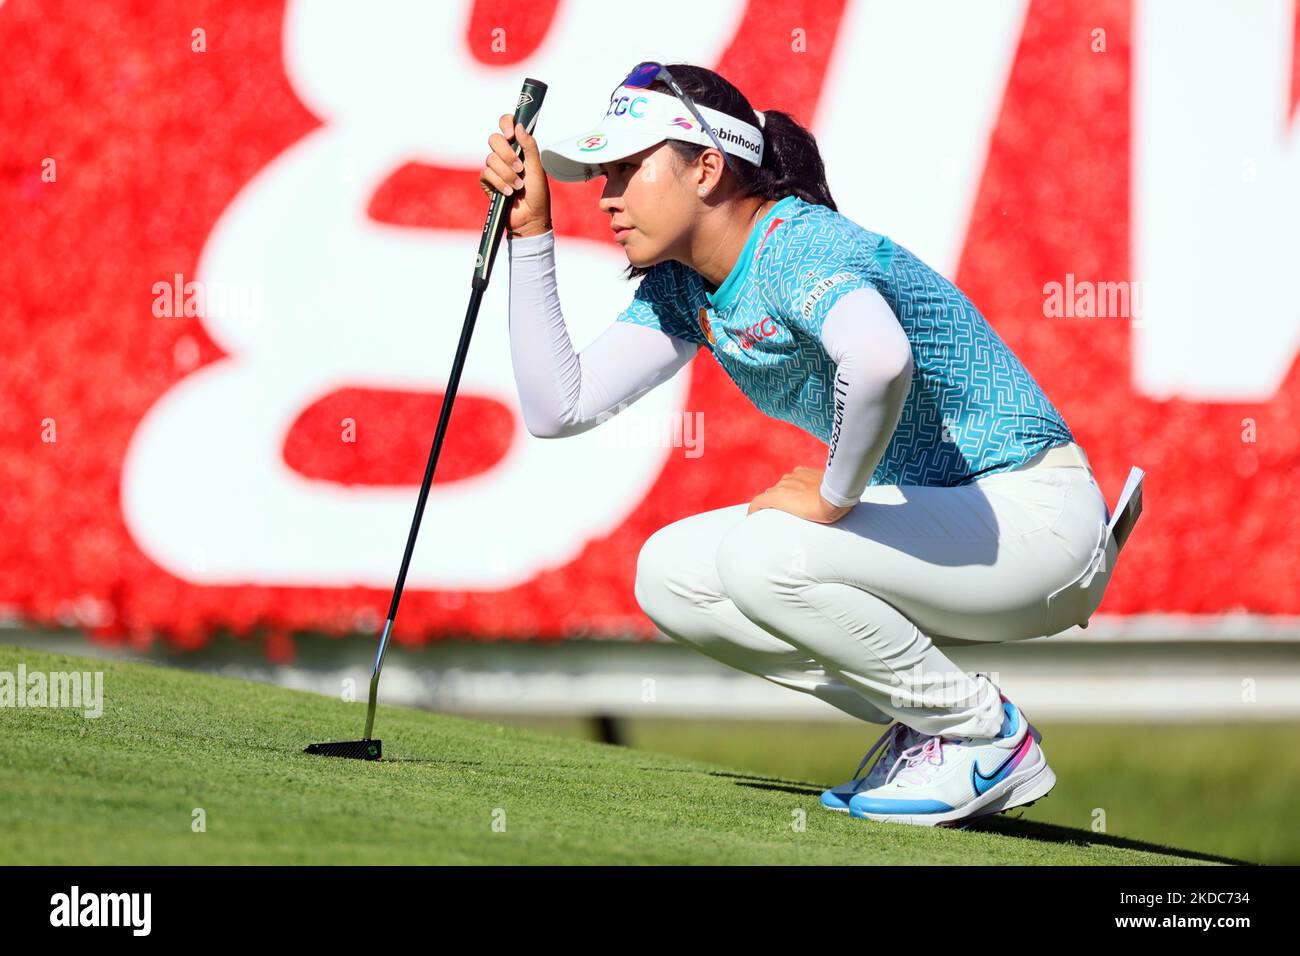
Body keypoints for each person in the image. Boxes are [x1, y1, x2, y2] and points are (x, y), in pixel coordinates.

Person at [479, 61, 1119, 829]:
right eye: (601, 173)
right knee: (671, 576)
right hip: (962, 526)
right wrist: (530, 235)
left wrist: (832, 496)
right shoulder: (686, 285)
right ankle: (930, 718)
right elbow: (560, 405)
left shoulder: (794, 242)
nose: (607, 195)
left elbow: (880, 359)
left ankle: (983, 732)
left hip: (1036, 521)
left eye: (626, 167)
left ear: (708, 167)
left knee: (763, 558)